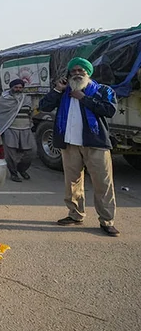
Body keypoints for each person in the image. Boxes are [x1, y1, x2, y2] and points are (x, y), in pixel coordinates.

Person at [39, 57, 119, 236]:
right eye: (73, 71)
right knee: (72, 182)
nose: (76, 74)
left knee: (103, 183)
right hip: (69, 144)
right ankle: (75, 214)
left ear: (88, 73)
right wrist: (57, 90)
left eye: (80, 71)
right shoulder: (64, 92)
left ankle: (107, 220)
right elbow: (44, 106)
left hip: (96, 144)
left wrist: (84, 98)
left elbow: (109, 110)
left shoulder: (102, 90)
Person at [0, 78, 34, 182]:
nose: (18, 89)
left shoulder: (26, 99)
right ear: (11, 88)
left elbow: (30, 112)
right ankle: (13, 173)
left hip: (26, 128)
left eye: (20, 87)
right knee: (11, 154)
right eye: (16, 87)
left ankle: (22, 169)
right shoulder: (4, 99)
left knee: (31, 152)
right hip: (10, 128)